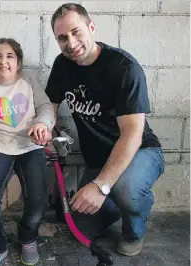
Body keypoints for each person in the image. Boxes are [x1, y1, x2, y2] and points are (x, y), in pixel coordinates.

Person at [45, 3, 165, 257]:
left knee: (127, 189)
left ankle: (135, 225)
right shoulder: (62, 65)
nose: (71, 42)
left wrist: (101, 186)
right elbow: (49, 107)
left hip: (139, 151)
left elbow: (132, 133)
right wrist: (45, 128)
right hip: (98, 160)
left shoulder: (123, 67)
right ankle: (116, 200)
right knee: (79, 227)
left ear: (91, 27)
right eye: (62, 38)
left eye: (76, 32)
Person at [0, 38, 54, 266]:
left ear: (19, 63)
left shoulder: (29, 82)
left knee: (38, 199)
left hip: (30, 145)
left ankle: (28, 238)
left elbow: (45, 107)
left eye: (9, 56)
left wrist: (43, 124)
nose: (3, 61)